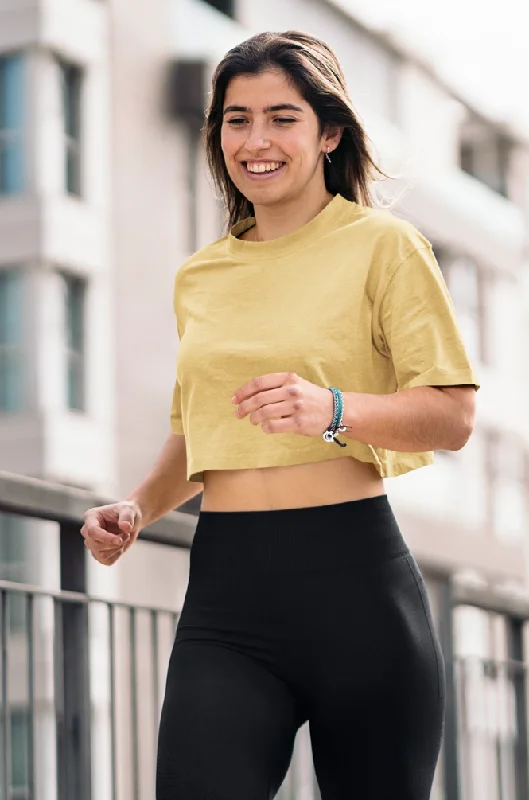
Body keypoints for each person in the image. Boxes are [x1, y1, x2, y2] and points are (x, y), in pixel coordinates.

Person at [81, 30, 479, 800]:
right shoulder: (201, 276)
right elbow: (197, 430)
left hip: (357, 589)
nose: (255, 141)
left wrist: (330, 410)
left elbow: (452, 414)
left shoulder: (384, 247)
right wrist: (136, 506)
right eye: (236, 119)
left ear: (329, 132)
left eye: (280, 117)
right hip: (228, 597)